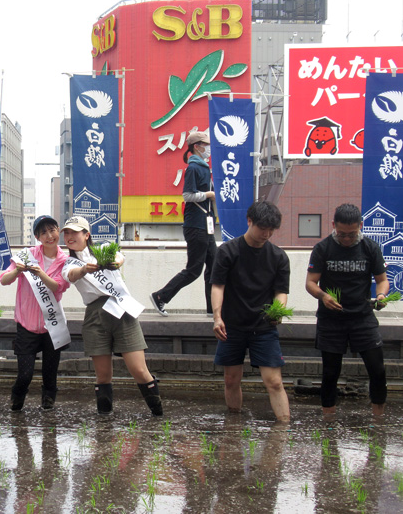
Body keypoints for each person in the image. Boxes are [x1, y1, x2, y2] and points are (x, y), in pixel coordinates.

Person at [61, 216, 162, 416]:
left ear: (86, 234)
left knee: (140, 370)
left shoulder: (103, 248)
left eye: (75, 232)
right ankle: (104, 423)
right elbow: (71, 275)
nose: (70, 236)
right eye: (67, 232)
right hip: (95, 316)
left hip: (121, 309)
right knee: (103, 375)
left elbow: (119, 257)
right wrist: (83, 270)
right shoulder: (68, 262)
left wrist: (114, 262)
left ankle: (158, 415)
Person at [305, 203, 389, 417]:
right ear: (333, 225)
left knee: (377, 369)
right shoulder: (323, 248)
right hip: (331, 317)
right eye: (342, 234)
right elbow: (310, 282)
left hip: (362, 316)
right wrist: (323, 296)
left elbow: (382, 280)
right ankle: (329, 417)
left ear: (360, 226)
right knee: (330, 371)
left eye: (352, 234)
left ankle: (378, 415)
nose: (347, 239)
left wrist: (380, 295)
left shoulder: (370, 247)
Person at [210, 201, 290, 422]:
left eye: (271, 229)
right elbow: (217, 285)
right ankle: (234, 424)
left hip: (264, 327)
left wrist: (278, 311)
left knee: (274, 381)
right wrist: (217, 316)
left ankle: (284, 428)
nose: (266, 233)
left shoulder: (279, 257)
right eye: (262, 228)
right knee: (231, 379)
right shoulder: (228, 251)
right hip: (232, 325)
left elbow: (281, 292)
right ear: (249, 221)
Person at [0, 215, 71, 411]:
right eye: (43, 233)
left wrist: (40, 273)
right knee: (25, 374)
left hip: (52, 325)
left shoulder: (66, 261)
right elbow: (4, 280)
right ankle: (17, 398)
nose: (49, 236)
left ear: (58, 231)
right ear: (37, 237)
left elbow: (58, 287)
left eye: (52, 230)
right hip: (27, 325)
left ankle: (48, 402)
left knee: (50, 372)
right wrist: (17, 271)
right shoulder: (27, 255)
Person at [150, 130, 216, 316]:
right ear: (197, 146)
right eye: (206, 145)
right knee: (194, 270)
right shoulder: (194, 168)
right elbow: (187, 195)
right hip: (196, 225)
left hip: (205, 224)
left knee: (214, 266)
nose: (209, 149)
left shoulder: (203, 166)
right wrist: (209, 195)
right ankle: (160, 297)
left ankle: (213, 309)